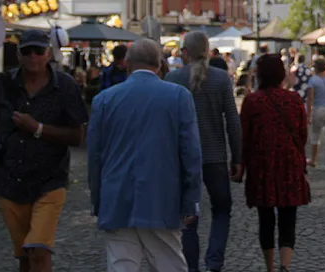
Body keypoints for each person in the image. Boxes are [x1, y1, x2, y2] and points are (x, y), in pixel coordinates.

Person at [0, 30, 87, 272]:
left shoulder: (65, 87)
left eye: (39, 51)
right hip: (9, 180)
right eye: (27, 52)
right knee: (25, 255)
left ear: (49, 54)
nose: (33, 57)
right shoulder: (2, 85)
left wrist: (38, 128)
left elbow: (77, 136)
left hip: (50, 180)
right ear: (18, 55)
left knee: (38, 250)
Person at [88, 40, 202, 272]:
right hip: (162, 199)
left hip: (117, 198)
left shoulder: (104, 100)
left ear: (127, 65)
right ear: (160, 65)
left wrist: (99, 199)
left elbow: (95, 157)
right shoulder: (179, 96)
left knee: (121, 266)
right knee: (169, 264)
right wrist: (190, 200)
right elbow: (191, 153)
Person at [166, 32, 242, 272]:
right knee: (221, 211)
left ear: (185, 52)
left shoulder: (173, 78)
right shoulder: (220, 79)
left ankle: (191, 267)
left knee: (189, 217)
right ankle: (214, 262)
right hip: (215, 156)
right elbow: (232, 120)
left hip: (183, 158)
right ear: (208, 51)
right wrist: (237, 157)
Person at [241, 55, 310, 272]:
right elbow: (302, 133)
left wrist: (240, 166)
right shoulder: (294, 100)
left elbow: (244, 137)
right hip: (289, 164)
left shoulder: (252, 101)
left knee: (266, 219)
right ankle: (285, 265)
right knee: (288, 217)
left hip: (262, 166)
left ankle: (270, 267)